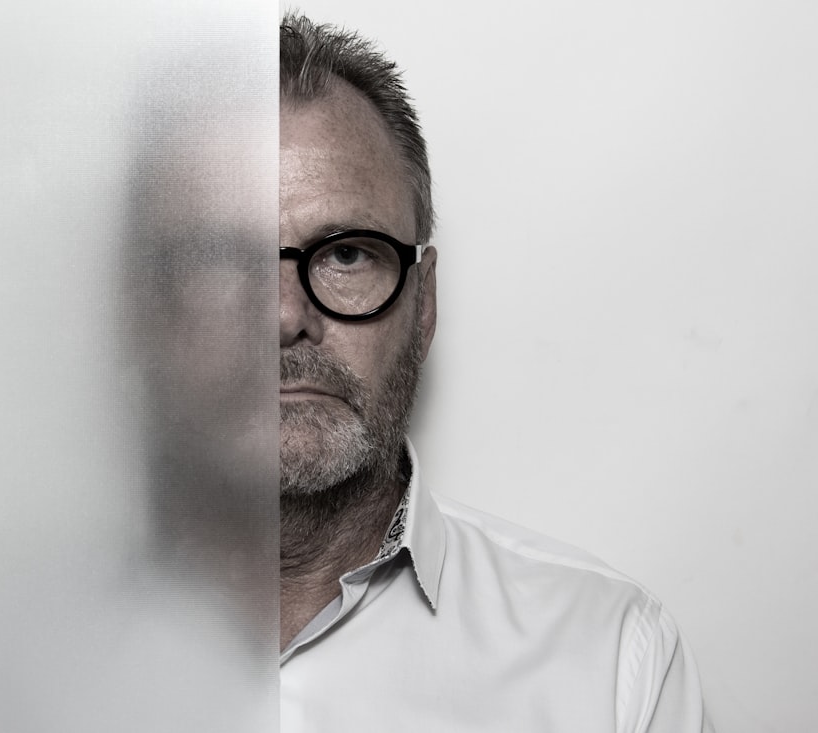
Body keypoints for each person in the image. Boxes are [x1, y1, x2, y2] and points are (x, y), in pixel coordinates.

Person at [278, 13, 714, 732]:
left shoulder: (609, 664)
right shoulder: (25, 643)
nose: (285, 315)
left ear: (424, 307)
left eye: (348, 254)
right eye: (224, 261)